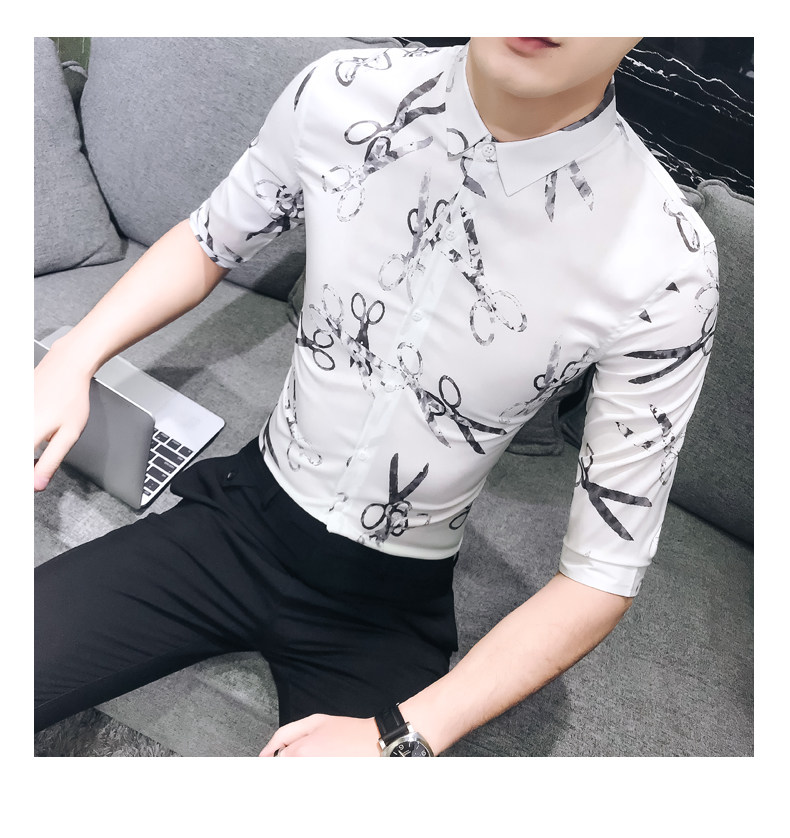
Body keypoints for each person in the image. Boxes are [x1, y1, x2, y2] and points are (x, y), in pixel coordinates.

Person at [34, 37, 718, 757]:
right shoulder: (342, 91)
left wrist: (404, 733)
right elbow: (210, 238)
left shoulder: (668, 261)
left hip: (387, 606)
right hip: (239, 517)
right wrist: (75, 355)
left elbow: (601, 574)